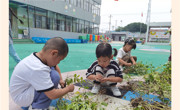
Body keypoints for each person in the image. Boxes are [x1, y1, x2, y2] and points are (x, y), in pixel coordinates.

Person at [10, 37, 74, 110]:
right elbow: (52, 95)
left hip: (23, 90)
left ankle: (36, 101)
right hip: (21, 97)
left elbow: (55, 66)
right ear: (54, 53)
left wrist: (61, 80)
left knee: (53, 72)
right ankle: (39, 107)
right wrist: (68, 89)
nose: (58, 62)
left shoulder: (39, 57)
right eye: (59, 60)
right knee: (54, 77)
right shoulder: (38, 68)